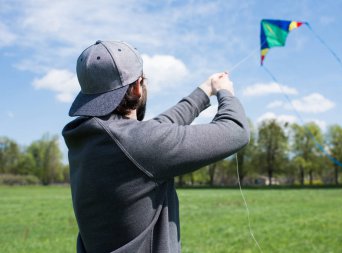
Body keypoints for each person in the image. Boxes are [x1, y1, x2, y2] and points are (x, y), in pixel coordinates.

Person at [62, 40, 250, 253]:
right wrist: (226, 93)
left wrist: (205, 90)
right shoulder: (138, 143)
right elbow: (236, 130)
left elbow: (155, 129)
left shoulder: (87, 140)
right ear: (136, 87)